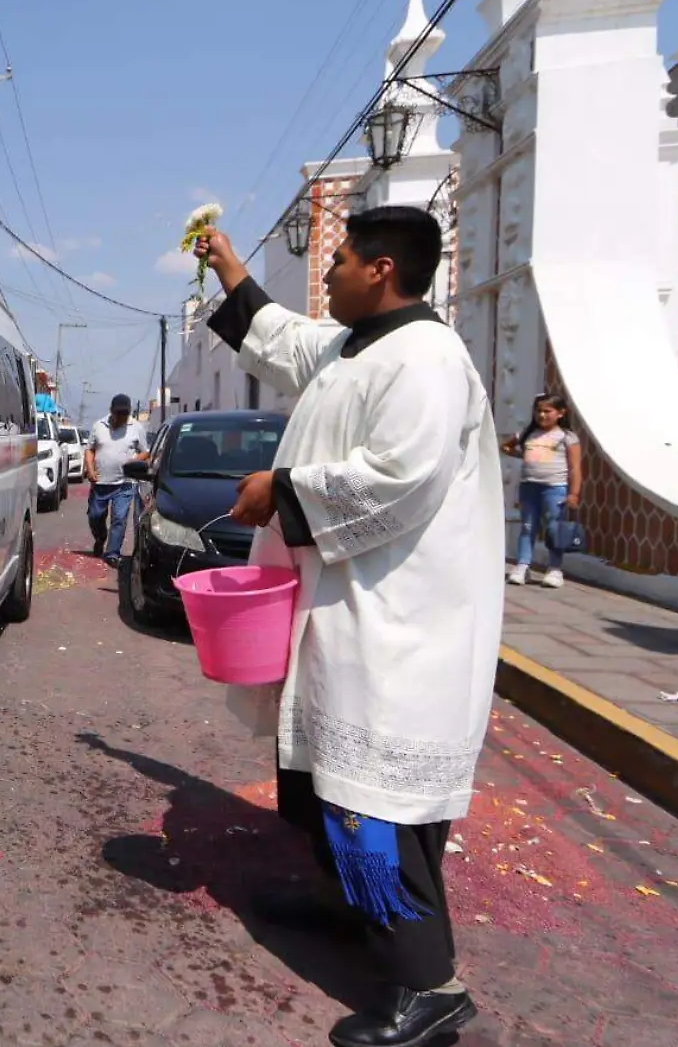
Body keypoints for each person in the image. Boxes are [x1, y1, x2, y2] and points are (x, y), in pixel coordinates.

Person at [194, 207, 503, 1047]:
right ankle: (352, 913)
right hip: (345, 609)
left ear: (381, 269)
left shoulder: (429, 359)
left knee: (378, 802)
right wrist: (223, 262)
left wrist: (281, 491)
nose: (325, 272)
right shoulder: (353, 346)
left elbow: (402, 478)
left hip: (401, 625)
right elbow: (280, 336)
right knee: (327, 779)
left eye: (338, 259)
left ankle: (429, 985)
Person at [500, 393, 581, 589]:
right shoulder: (528, 434)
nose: (542, 415)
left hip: (554, 489)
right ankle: (523, 565)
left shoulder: (567, 437)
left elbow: (575, 467)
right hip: (529, 486)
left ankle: (554, 568)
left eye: (547, 411)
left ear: (560, 413)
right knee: (528, 527)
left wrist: (573, 493)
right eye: (538, 411)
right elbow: (506, 446)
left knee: (554, 528)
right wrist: (523, 454)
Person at [82, 394, 146, 565]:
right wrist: (89, 468)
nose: (122, 418)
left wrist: (134, 460)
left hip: (125, 483)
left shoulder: (136, 427)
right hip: (100, 482)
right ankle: (100, 537)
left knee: (119, 518)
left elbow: (146, 452)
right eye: (119, 414)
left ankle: (112, 553)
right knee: (95, 516)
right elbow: (89, 449)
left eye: (125, 414)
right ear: (111, 411)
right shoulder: (99, 426)